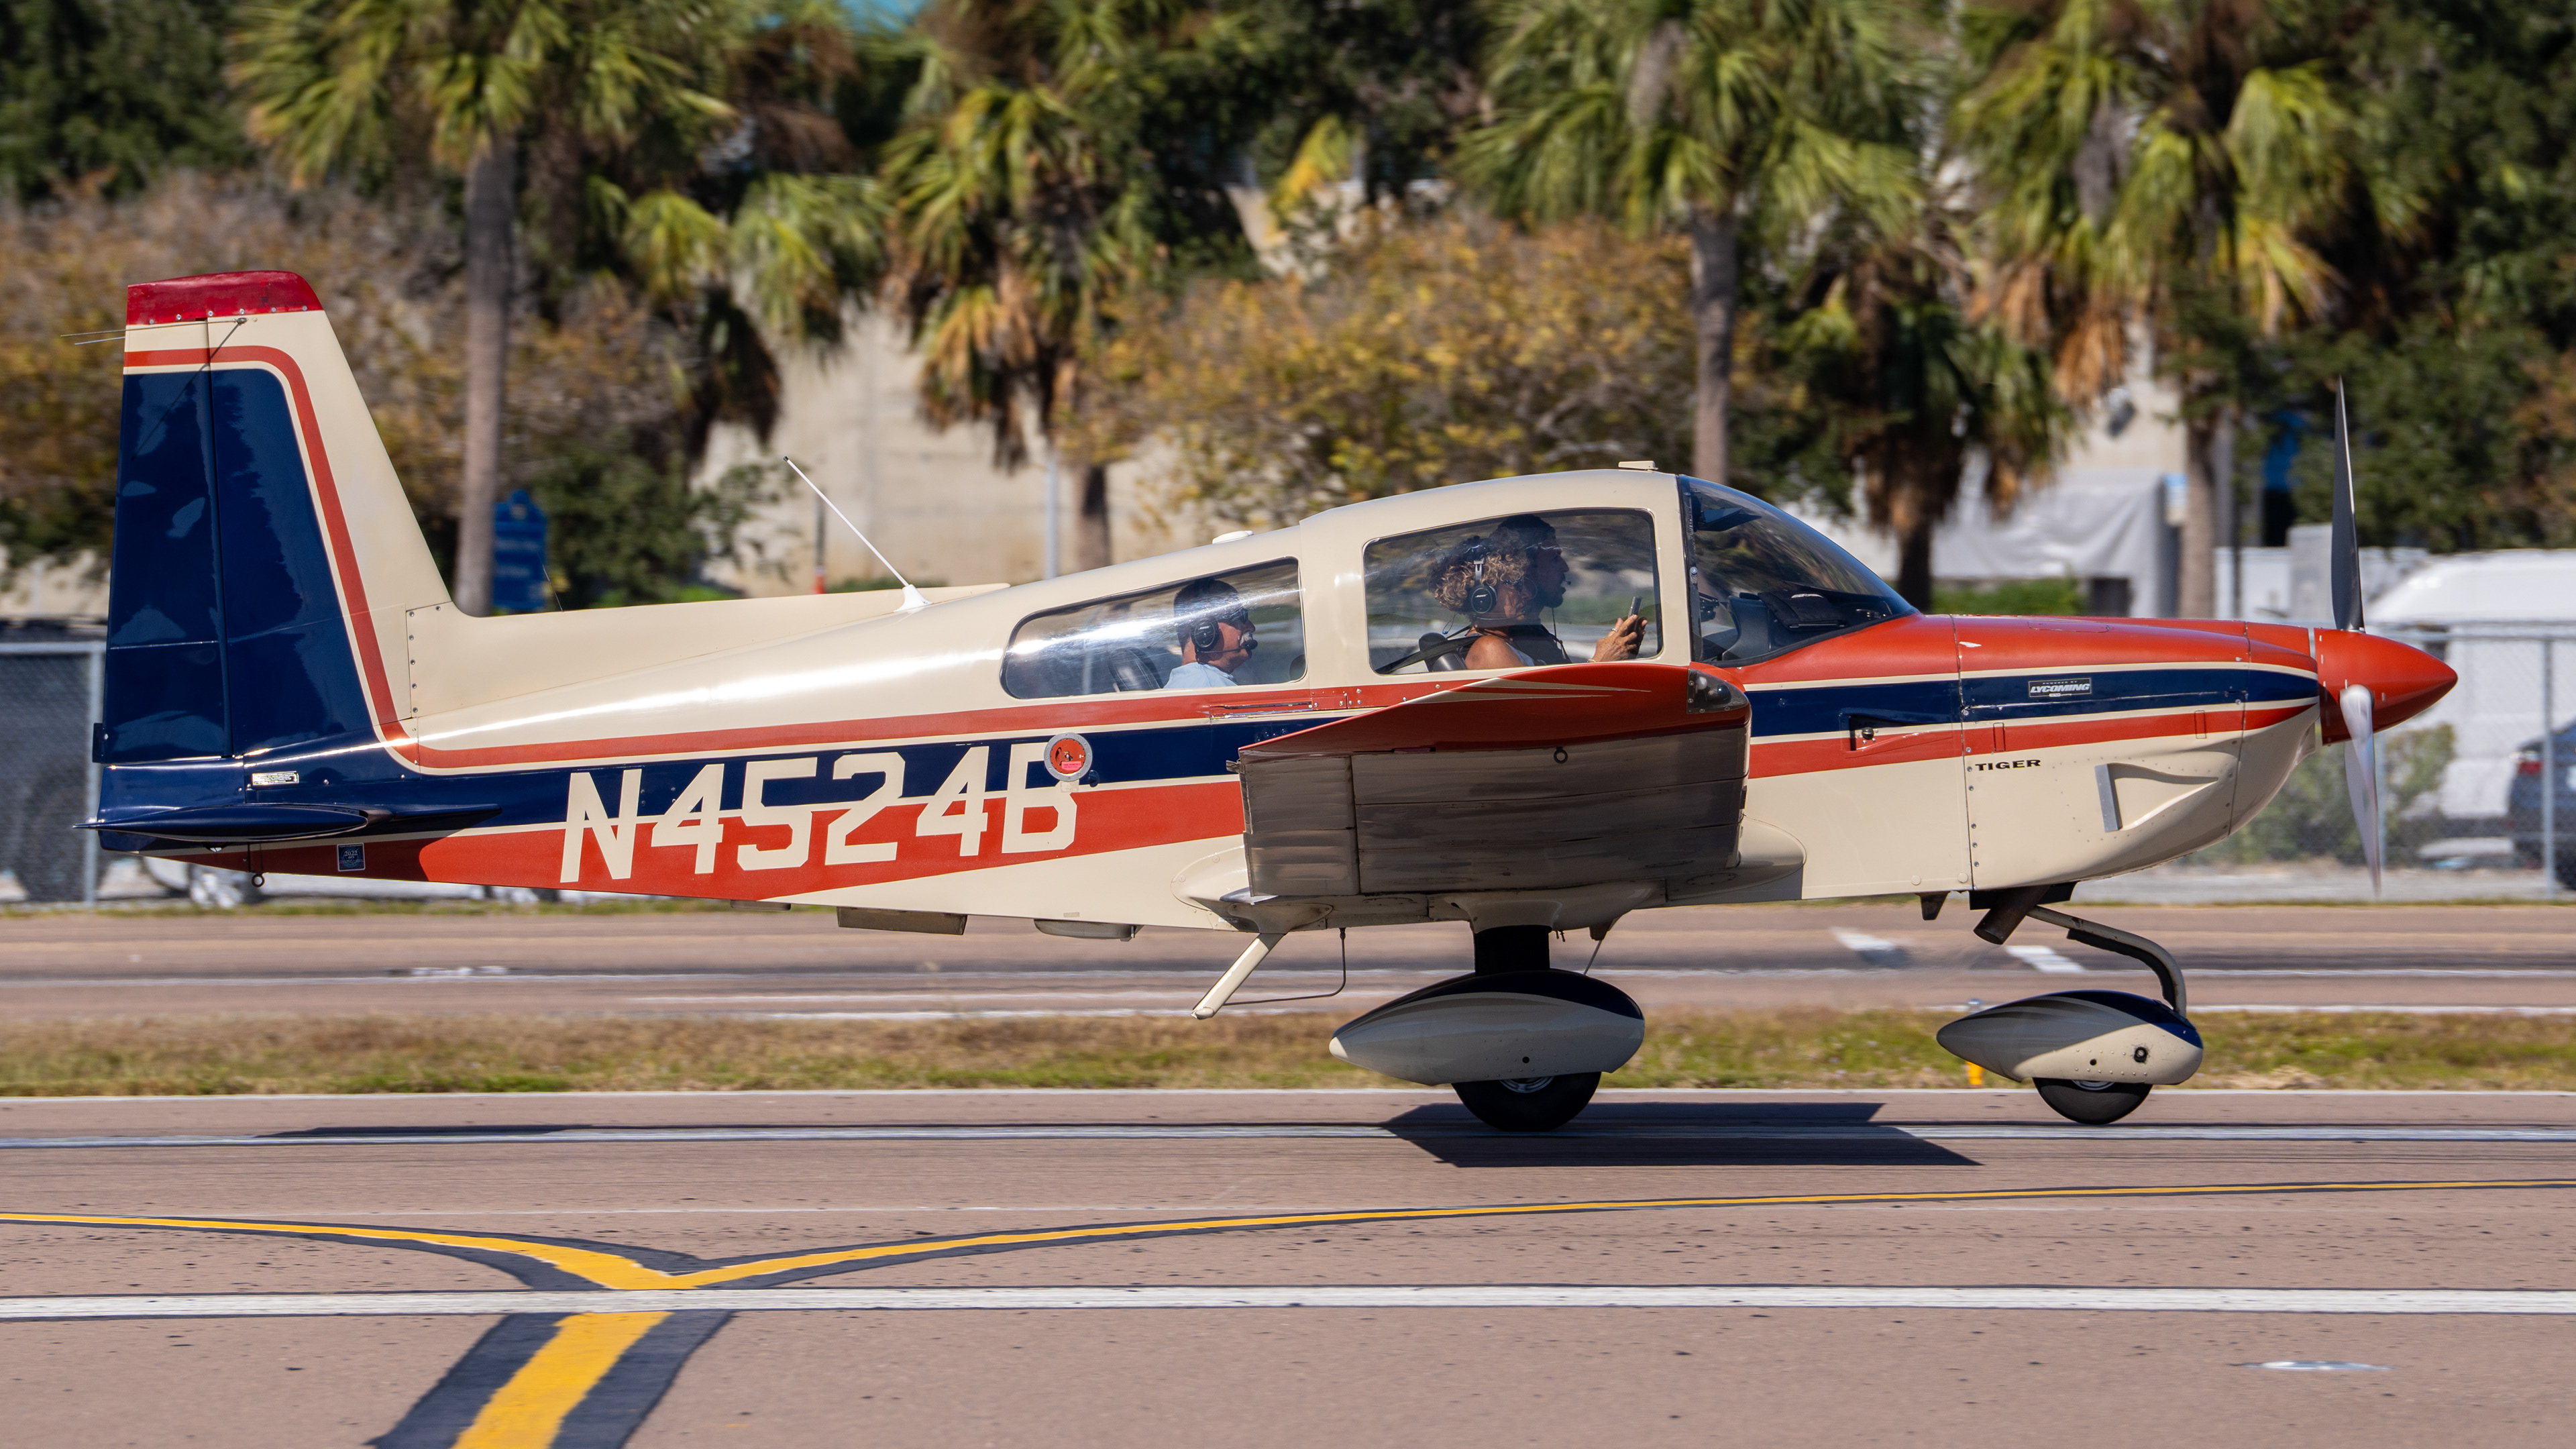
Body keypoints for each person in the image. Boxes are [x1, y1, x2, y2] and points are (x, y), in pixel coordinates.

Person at [1432, 515, 1644, 670]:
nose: (1526, 594)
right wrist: (1600, 662)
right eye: (1517, 585)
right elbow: (1547, 717)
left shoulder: (1510, 641)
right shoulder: (1490, 647)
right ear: (1484, 597)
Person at [1166, 576, 1257, 688]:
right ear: (1205, 630)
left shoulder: (1191, 680)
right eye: (1239, 617)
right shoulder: (1208, 686)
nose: (1251, 627)